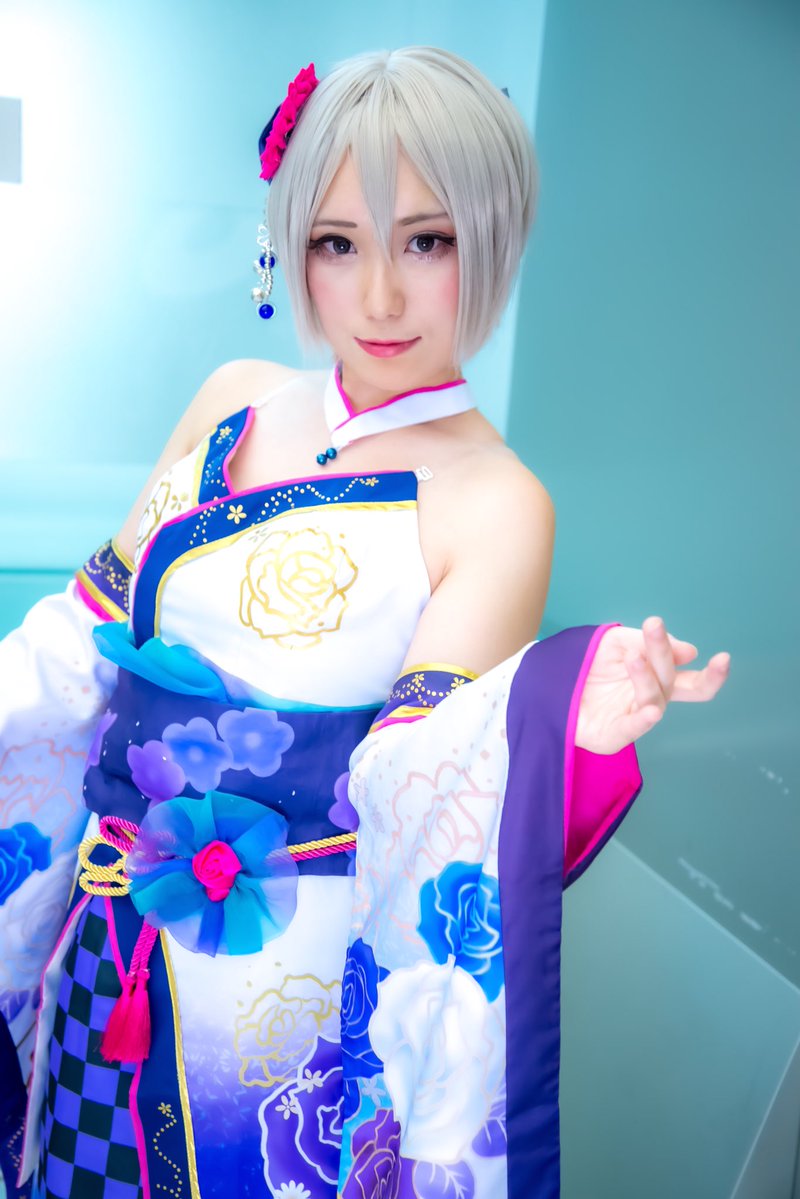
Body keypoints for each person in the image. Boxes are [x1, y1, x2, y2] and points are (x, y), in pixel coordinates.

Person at [0, 46, 729, 1199]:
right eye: (337, 243)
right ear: (289, 245)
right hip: (105, 931)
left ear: (492, 240)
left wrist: (555, 708)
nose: (379, 294)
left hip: (268, 996)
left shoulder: (495, 501)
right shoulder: (232, 399)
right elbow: (80, 645)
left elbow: (421, 772)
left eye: (425, 241)